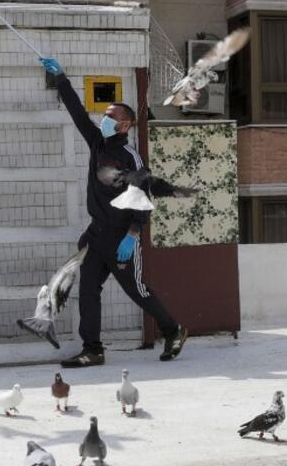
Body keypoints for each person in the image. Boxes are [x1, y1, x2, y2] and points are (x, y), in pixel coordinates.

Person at [39, 56, 188, 367]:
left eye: (110, 116)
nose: (104, 119)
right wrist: (62, 80)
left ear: (126, 124)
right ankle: (92, 349)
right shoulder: (97, 143)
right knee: (88, 290)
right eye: (104, 115)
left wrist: (133, 235)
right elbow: (78, 113)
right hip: (97, 235)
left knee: (137, 291)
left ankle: (173, 330)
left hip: (122, 237)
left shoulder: (130, 158)